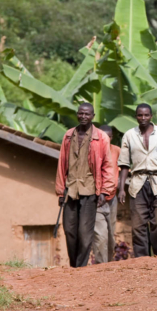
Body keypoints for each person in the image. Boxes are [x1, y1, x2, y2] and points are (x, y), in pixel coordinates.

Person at [55, 103, 115, 267]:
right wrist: (61, 192)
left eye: (87, 114)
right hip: (71, 190)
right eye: (81, 113)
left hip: (90, 191)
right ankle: (74, 265)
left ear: (93, 116)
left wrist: (104, 191)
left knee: (84, 232)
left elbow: (108, 166)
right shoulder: (68, 136)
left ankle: (81, 267)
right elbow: (62, 164)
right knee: (69, 230)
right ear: (77, 114)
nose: (83, 116)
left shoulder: (101, 137)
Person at [118, 104, 157, 257]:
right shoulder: (129, 135)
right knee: (138, 227)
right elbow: (124, 164)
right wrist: (121, 188)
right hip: (137, 183)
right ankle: (142, 262)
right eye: (140, 115)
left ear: (151, 116)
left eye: (146, 115)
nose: (143, 118)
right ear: (136, 116)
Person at [92, 125, 120, 263]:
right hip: (97, 199)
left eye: (109, 136)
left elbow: (122, 170)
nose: (106, 139)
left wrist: (121, 189)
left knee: (110, 235)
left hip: (112, 198)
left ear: (112, 137)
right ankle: (100, 265)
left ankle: (108, 265)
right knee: (100, 235)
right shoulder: (93, 150)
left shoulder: (117, 151)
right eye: (103, 135)